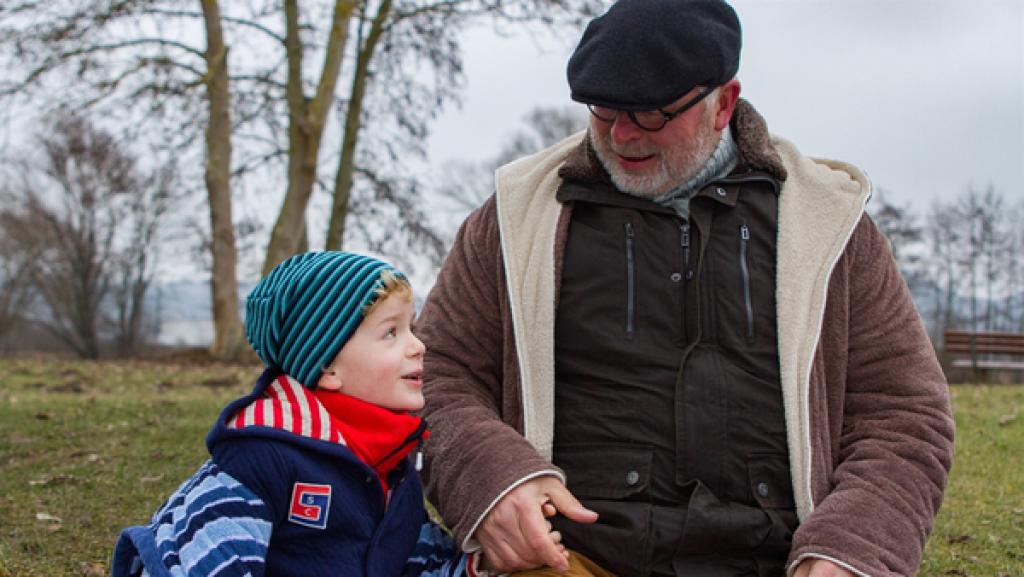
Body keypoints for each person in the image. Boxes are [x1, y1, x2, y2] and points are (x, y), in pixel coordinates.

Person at [416, 0, 955, 575]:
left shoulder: (830, 226)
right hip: (567, 559)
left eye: (651, 114)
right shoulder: (516, 219)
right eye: (603, 109)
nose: (621, 135)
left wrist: (851, 549)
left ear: (723, 102)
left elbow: (903, 414)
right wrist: (492, 481)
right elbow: (436, 373)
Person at [112, 251, 478, 577]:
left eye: (411, 329)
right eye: (391, 333)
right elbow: (208, 549)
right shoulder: (263, 456)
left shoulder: (392, 468)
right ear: (328, 365)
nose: (418, 346)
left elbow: (419, 561)